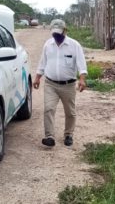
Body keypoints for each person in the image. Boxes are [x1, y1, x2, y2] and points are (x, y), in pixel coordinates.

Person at [33, 19, 87, 147]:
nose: (56, 36)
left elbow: (81, 64)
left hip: (68, 85)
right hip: (50, 84)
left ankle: (68, 134)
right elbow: (42, 63)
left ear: (65, 31)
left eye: (58, 33)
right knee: (48, 109)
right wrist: (37, 77)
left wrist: (82, 79)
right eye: (54, 33)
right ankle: (49, 136)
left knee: (70, 112)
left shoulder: (74, 45)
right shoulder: (48, 45)